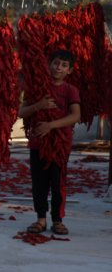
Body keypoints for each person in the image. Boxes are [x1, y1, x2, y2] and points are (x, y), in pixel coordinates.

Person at [18, 49, 81, 236]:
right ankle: (41, 219)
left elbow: (76, 116)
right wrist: (40, 105)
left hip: (60, 146)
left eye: (64, 65)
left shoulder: (70, 90)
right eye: (55, 63)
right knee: (39, 183)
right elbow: (21, 113)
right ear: (49, 64)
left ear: (69, 70)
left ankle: (57, 220)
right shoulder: (37, 87)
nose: (58, 68)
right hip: (39, 144)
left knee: (58, 182)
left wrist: (50, 126)